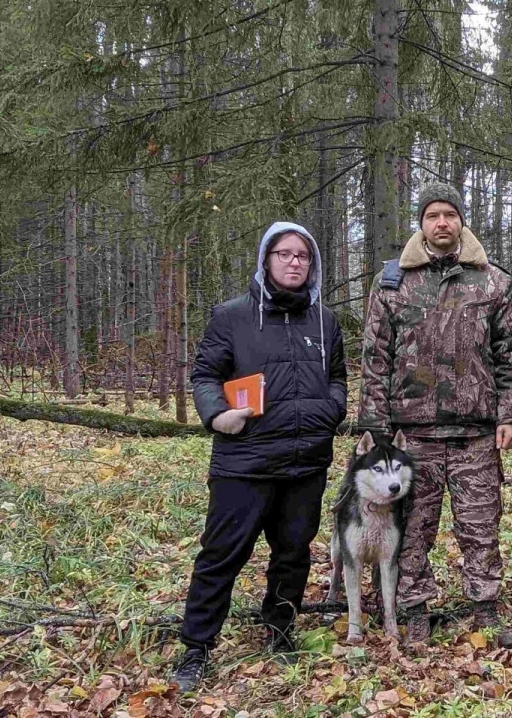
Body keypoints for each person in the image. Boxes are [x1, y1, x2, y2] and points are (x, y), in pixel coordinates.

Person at [173, 222, 348, 692]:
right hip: (243, 462)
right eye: (285, 254)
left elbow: (339, 376)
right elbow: (205, 374)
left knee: (292, 554)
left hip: (306, 462)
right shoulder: (231, 316)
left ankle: (281, 630)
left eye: (303, 256)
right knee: (221, 555)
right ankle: (196, 648)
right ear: (266, 259)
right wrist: (216, 416)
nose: (294, 262)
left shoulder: (324, 321)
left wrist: (334, 408)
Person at [358, 183, 512, 645]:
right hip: (413, 432)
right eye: (433, 215)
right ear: (422, 223)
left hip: (475, 431)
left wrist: (510, 416)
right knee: (413, 524)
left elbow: (511, 355)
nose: (441, 224)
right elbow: (376, 357)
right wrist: (375, 427)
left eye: (449, 215)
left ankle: (485, 605)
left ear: (461, 221)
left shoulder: (493, 281)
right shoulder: (393, 281)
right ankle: (414, 606)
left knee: (481, 524)